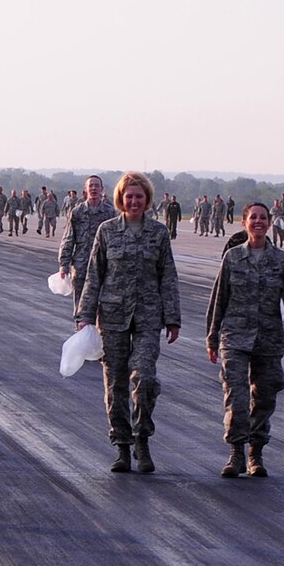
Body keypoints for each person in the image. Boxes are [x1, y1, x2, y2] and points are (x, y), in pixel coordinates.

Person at [79, 171, 180, 474]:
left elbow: (168, 276)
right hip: (112, 317)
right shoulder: (107, 232)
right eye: (129, 196)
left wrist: (173, 318)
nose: (134, 201)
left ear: (147, 200)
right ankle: (122, 446)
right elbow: (94, 274)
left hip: (149, 316)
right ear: (120, 199)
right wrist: (85, 315)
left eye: (139, 196)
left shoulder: (159, 233)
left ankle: (142, 438)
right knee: (116, 384)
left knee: (145, 377)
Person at [205, 202, 284, 479]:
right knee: (236, 397)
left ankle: (256, 452)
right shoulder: (232, 258)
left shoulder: (280, 260)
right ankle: (236, 452)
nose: (259, 222)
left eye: (264, 218)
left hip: (268, 338)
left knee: (265, 396)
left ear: (269, 223)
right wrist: (212, 337)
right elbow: (219, 299)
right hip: (235, 337)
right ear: (244, 222)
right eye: (254, 218)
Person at [56, 174, 117, 315]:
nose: (94, 188)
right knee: (80, 309)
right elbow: (68, 238)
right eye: (91, 185)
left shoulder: (110, 213)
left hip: (103, 267)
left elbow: (115, 241)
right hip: (81, 267)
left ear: (102, 189)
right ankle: (81, 335)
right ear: (86, 189)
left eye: (97, 185)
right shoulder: (77, 212)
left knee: (103, 309)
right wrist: (63, 264)